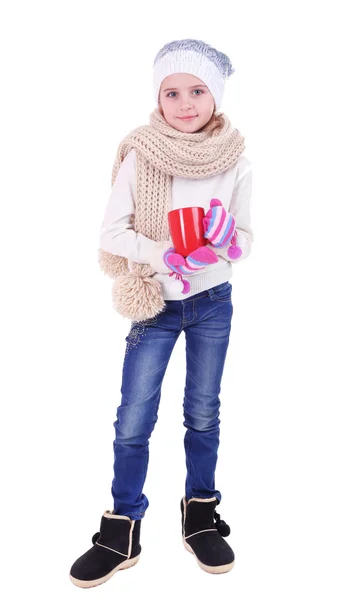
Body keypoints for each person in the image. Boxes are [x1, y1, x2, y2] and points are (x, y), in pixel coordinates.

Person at [69, 38, 253, 588]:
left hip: (212, 304)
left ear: (216, 97)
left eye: (197, 90)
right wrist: (161, 253)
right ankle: (122, 525)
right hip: (156, 304)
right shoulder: (141, 154)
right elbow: (111, 232)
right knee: (133, 417)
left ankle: (199, 514)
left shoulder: (237, 161)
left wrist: (226, 243)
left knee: (203, 412)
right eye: (171, 92)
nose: (185, 102)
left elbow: (244, 237)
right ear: (158, 98)